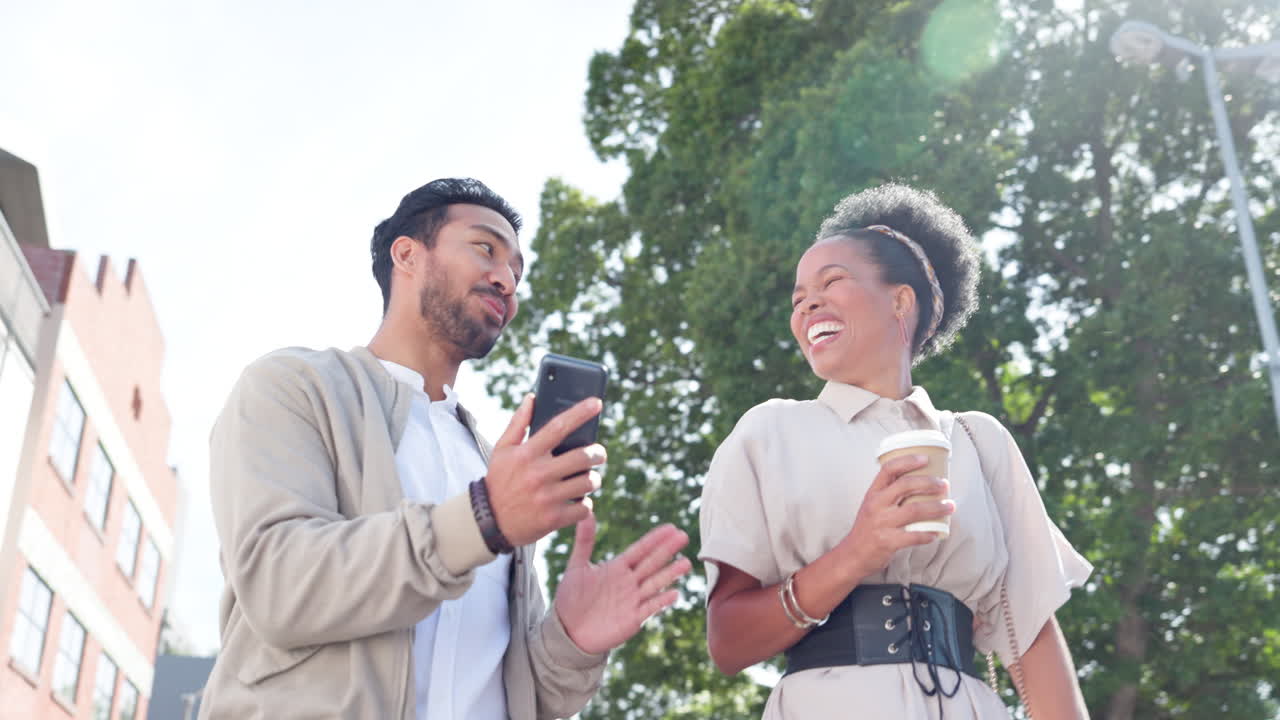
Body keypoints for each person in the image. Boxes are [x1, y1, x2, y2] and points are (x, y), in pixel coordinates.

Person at [199, 178, 691, 720]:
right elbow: (279, 586)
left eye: (517, 272)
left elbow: (519, 695)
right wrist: (483, 519)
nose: (506, 279)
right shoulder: (295, 386)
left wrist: (573, 642)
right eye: (486, 249)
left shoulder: (489, 460)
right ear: (407, 254)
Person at [698, 183, 1093, 719]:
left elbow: (1033, 636)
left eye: (832, 281)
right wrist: (858, 552)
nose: (809, 302)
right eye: (798, 297)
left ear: (900, 300)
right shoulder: (768, 433)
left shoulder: (980, 442)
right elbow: (727, 642)